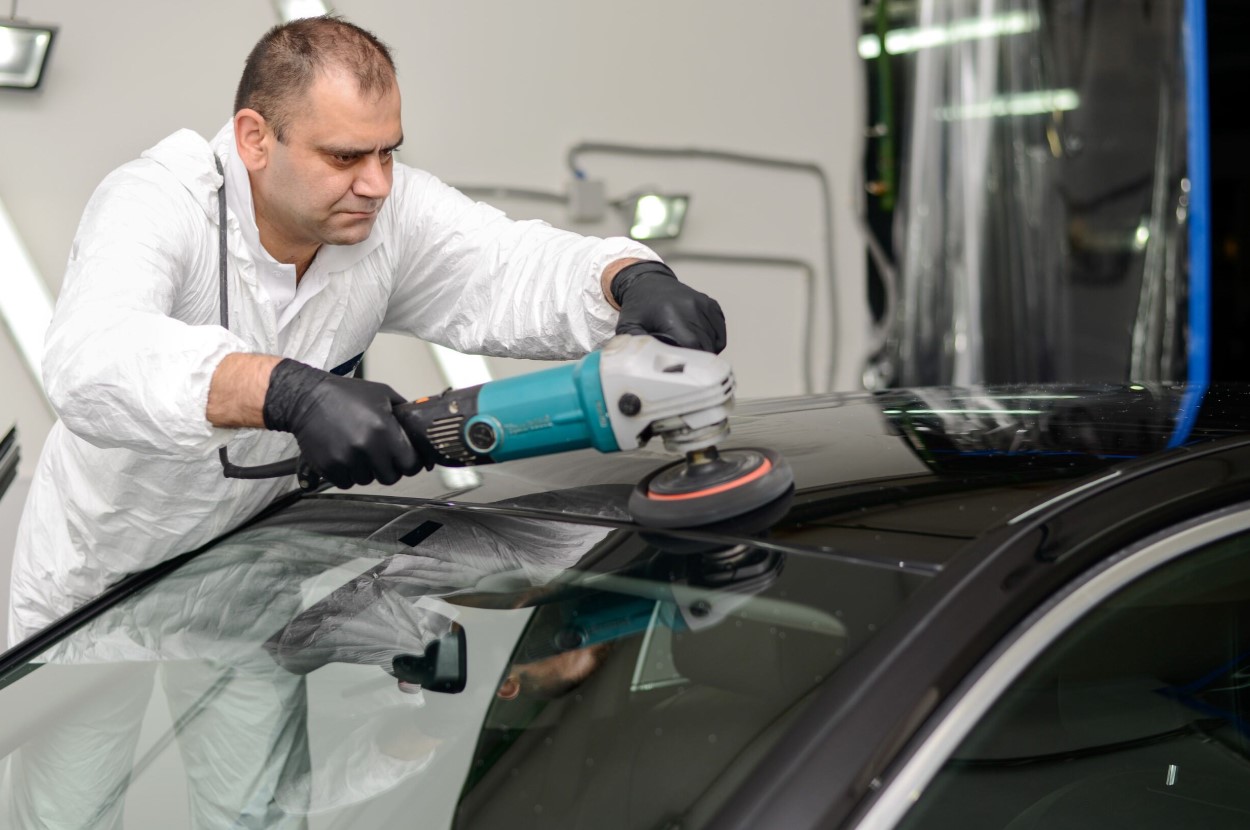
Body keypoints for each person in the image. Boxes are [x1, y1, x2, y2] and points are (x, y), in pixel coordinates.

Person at [8, 15, 726, 647]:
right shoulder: (159, 199)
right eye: (346, 156)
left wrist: (628, 278)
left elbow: (507, 263)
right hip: (95, 579)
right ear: (255, 139)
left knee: (254, 805)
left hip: (245, 572)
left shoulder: (389, 209)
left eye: (388, 152)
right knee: (67, 801)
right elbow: (91, 359)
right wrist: (286, 392)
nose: (378, 183)